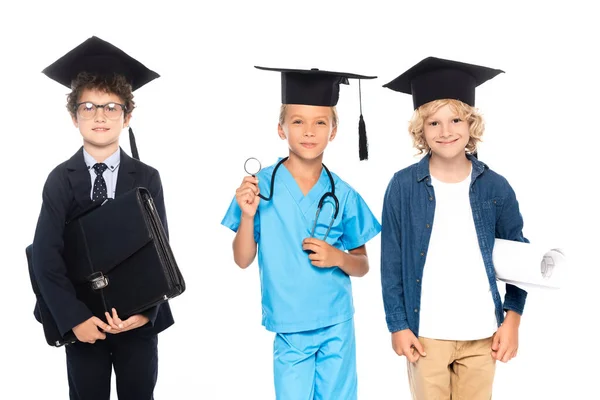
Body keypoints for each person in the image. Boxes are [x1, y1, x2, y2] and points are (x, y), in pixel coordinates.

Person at [221, 66, 381, 399]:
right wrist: (248, 216)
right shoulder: (259, 187)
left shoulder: (343, 193)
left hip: (336, 322)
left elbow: (363, 265)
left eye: (320, 122)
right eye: (298, 121)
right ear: (281, 129)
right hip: (290, 327)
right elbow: (242, 259)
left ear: (333, 131)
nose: (309, 131)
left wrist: (338, 257)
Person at [32, 36, 173, 400]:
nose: (100, 116)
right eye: (89, 106)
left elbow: (161, 251)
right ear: (73, 115)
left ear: (127, 116)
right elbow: (47, 257)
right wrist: (74, 319)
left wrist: (145, 313)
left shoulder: (146, 178)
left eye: (111, 107)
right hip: (83, 322)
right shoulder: (61, 179)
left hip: (136, 321)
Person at [380, 56, 529, 399]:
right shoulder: (403, 187)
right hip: (426, 336)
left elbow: (521, 259)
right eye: (433, 123)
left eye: (455, 119)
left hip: (482, 335)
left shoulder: (496, 187)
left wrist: (513, 320)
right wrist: (398, 325)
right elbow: (391, 264)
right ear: (421, 129)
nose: (445, 131)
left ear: (471, 123)